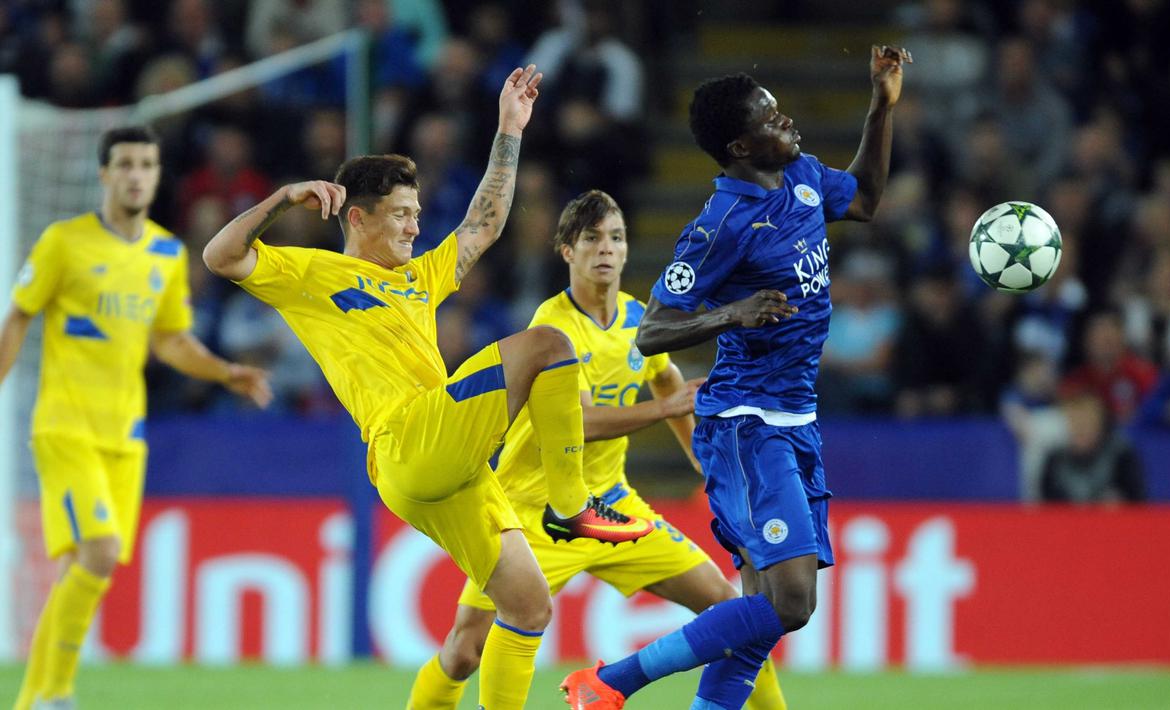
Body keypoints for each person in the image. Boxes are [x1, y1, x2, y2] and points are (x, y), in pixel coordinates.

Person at [201, 65, 652, 710]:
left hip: (448, 462)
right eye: (402, 215)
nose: (416, 227)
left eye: (416, 214)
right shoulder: (311, 275)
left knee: (528, 605)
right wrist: (283, 198)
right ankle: (570, 502)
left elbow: (484, 224)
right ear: (358, 217)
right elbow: (219, 256)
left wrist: (509, 128)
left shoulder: (419, 276)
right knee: (551, 344)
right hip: (407, 438)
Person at [562, 45, 911, 710]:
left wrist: (880, 106)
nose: (788, 123)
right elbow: (652, 331)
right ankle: (610, 681)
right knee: (792, 602)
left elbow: (865, 199)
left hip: (795, 417)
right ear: (741, 147)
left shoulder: (802, 177)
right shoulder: (718, 227)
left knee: (759, 614)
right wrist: (732, 313)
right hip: (747, 425)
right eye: (771, 120)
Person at [409, 190, 788, 710]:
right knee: (464, 652)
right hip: (534, 514)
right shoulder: (553, 328)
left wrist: (705, 466)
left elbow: (667, 380)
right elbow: (580, 423)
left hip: (612, 507)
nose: (606, 248)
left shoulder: (636, 318)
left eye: (616, 237)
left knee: (731, 608)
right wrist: (666, 407)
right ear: (568, 250)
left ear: (627, 249)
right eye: (591, 238)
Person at [2, 126, 273, 710]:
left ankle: (29, 702)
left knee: (80, 570)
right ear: (105, 174)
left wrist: (225, 372)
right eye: (125, 164)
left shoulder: (165, 254)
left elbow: (171, 340)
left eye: (146, 165)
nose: (136, 175)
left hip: (126, 435)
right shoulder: (63, 242)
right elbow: (19, 316)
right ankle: (57, 694)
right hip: (66, 427)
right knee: (98, 554)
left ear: (156, 175)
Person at [1040, 391, 1147, 503]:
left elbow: (1138, 500)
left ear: (1100, 423)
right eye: (1075, 422)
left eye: (1087, 422)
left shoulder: (1121, 455)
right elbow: (1046, 504)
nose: (1081, 429)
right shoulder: (1055, 459)